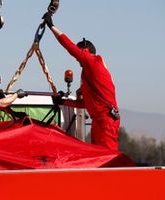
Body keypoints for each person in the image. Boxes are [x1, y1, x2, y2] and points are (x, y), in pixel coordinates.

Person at [43, 12, 120, 151]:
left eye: (80, 54)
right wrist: (62, 101)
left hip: (105, 121)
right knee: (98, 158)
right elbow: (84, 104)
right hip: (100, 121)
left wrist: (51, 26)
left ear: (85, 51)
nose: (77, 58)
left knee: (108, 160)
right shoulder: (88, 74)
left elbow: (70, 47)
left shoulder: (94, 62)